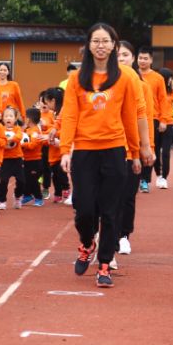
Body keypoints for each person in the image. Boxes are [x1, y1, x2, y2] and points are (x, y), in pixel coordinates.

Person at [59, 23, 144, 288]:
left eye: (105, 41)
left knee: (110, 211)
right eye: (96, 41)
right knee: (84, 209)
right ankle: (87, 243)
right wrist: (65, 149)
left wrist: (137, 151)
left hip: (115, 150)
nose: (100, 46)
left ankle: (105, 263)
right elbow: (70, 114)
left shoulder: (126, 77)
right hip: (84, 151)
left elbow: (130, 115)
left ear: (114, 45)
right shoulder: (77, 78)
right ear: (88, 46)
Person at [115, 41, 154, 254]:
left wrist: (148, 148)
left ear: (133, 59)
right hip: (110, 146)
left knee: (128, 195)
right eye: (118, 55)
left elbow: (146, 117)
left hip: (133, 149)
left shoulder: (143, 86)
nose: (121, 59)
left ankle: (123, 235)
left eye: (125, 55)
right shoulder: (106, 84)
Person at [137, 46, 169, 190]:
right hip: (134, 117)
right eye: (140, 58)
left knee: (149, 147)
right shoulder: (132, 74)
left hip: (152, 118)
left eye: (145, 58)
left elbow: (163, 100)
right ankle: (134, 177)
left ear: (151, 60)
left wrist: (164, 119)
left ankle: (145, 179)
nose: (142, 61)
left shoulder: (158, 78)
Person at [20, 107, 48, 207]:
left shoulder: (35, 131)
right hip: (26, 160)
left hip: (35, 161)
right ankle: (27, 195)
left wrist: (22, 145)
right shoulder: (27, 131)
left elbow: (32, 145)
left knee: (33, 180)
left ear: (29, 119)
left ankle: (39, 198)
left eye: (25, 117)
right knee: (26, 179)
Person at [0, 106, 26, 209]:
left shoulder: (17, 129)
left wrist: (11, 139)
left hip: (17, 159)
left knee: (21, 181)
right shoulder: (1, 129)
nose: (8, 118)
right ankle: (2, 201)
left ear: (15, 119)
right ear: (3, 119)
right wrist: (5, 141)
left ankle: (18, 196)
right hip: (5, 160)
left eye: (10, 116)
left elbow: (19, 137)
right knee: (3, 181)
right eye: (6, 116)